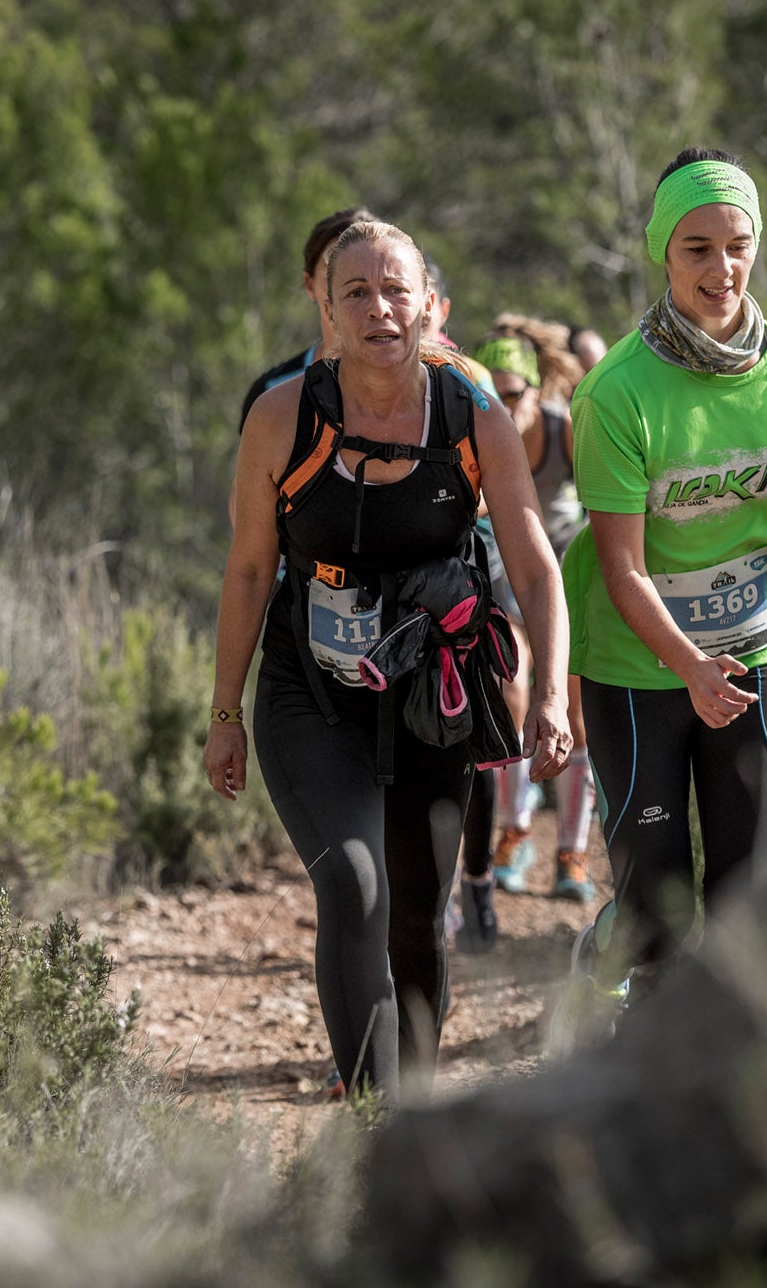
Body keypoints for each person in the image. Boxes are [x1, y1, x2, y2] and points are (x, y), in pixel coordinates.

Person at [204, 220, 571, 1106]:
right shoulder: (282, 415)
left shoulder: (473, 411)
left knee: (416, 911)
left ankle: (416, 1114)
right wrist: (223, 713)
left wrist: (551, 693)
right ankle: (374, 1114)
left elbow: (532, 560)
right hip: (309, 689)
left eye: (396, 289)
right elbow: (252, 566)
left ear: (428, 305)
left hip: (430, 693)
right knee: (353, 881)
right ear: (325, 309)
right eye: (356, 291)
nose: (379, 307)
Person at [563, 147, 767, 1007]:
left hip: (754, 644)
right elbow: (621, 566)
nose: (723, 269)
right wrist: (688, 667)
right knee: (657, 917)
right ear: (663, 254)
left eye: (738, 244)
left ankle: (695, 1099)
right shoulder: (617, 393)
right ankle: (607, 949)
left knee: (748, 902)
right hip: (638, 664)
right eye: (698, 248)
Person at [466, 333, 599, 904]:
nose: (505, 406)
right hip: (506, 566)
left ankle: (572, 852)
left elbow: (607, 497)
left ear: (534, 389)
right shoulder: (473, 430)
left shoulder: (560, 425)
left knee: (575, 706)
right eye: (491, 395)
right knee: (510, 686)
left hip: (567, 566)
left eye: (514, 394)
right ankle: (515, 832)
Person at [239, 207, 379, 430]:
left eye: (367, 271)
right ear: (309, 284)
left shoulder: (436, 388)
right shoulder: (270, 393)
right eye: (334, 268)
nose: (351, 285)